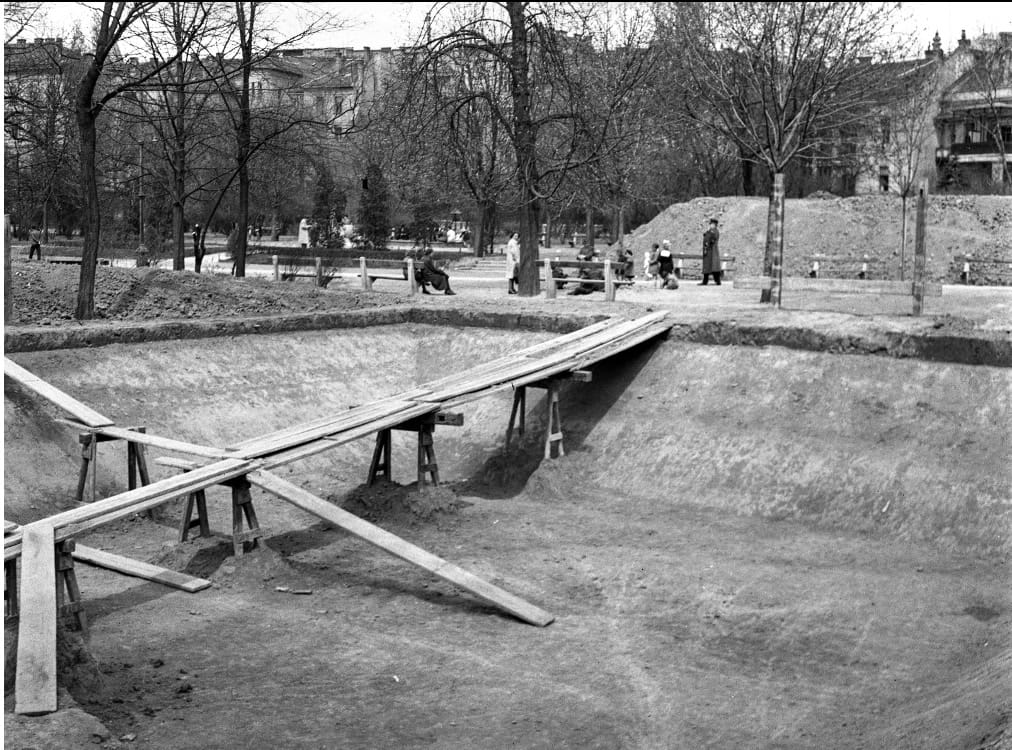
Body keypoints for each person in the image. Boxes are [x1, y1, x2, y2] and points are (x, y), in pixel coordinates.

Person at [700, 218, 722, 285]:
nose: (710, 225)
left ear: (714, 225)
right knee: (707, 266)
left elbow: (711, 239)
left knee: (714, 267)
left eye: (711, 224)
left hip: (713, 251)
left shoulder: (715, 231)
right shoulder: (711, 231)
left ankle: (717, 281)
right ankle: (705, 281)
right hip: (709, 251)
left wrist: (708, 233)